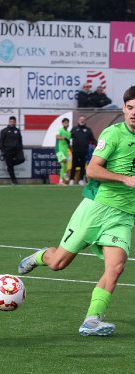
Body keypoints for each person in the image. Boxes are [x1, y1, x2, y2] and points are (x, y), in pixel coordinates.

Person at [18, 86, 135, 337]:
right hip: (96, 208)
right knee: (58, 263)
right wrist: (125, 179)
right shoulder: (113, 134)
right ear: (124, 109)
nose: (133, 113)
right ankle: (40, 256)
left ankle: (92, 320)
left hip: (124, 215)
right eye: (130, 107)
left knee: (115, 268)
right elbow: (92, 170)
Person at [69, 115, 96, 185]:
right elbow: (68, 138)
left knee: (82, 166)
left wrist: (99, 145)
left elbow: (92, 140)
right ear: (78, 121)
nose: (82, 121)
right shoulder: (74, 129)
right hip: (75, 151)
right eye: (81, 119)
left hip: (84, 151)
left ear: (85, 121)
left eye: (83, 119)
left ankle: (81, 179)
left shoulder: (88, 130)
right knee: (74, 165)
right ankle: (71, 179)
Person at [0, 116, 24, 185]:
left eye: (13, 122)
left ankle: (9, 165)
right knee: (10, 168)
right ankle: (14, 181)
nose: (12, 123)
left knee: (22, 159)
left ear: (15, 122)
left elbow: (20, 140)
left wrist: (20, 148)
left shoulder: (17, 130)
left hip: (17, 150)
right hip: (8, 151)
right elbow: (1, 142)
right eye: (11, 121)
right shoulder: (4, 131)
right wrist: (3, 151)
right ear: (9, 122)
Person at [55, 118, 71, 186]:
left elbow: (68, 143)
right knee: (63, 162)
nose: (66, 124)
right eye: (65, 123)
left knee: (64, 166)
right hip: (59, 150)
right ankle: (63, 176)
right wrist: (64, 138)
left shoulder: (69, 133)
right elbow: (57, 137)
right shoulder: (60, 130)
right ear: (62, 123)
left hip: (65, 151)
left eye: (67, 123)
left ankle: (61, 180)